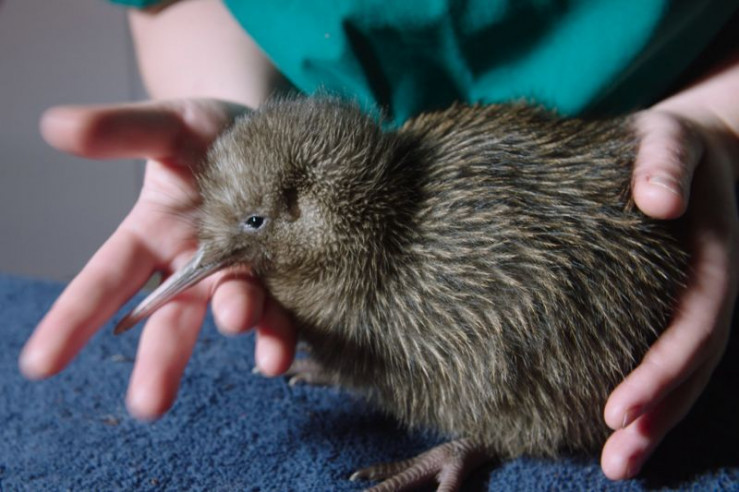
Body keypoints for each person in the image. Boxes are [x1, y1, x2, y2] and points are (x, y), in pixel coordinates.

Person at [18, 0, 738, 481]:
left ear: (310, 208)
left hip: (678, 186)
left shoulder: (410, 273)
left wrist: (718, 122)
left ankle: (490, 436)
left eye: (252, 225)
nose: (213, 259)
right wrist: (225, 104)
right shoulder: (337, 238)